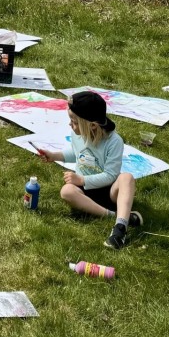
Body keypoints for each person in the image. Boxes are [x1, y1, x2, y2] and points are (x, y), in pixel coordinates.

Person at [33, 90, 142, 248]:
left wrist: (82, 179)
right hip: (85, 191)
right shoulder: (77, 133)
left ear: (92, 125)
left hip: (109, 190)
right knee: (66, 191)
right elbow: (78, 153)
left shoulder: (114, 141)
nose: (71, 124)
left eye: (75, 121)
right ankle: (114, 216)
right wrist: (54, 156)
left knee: (127, 178)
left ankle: (120, 229)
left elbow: (111, 175)